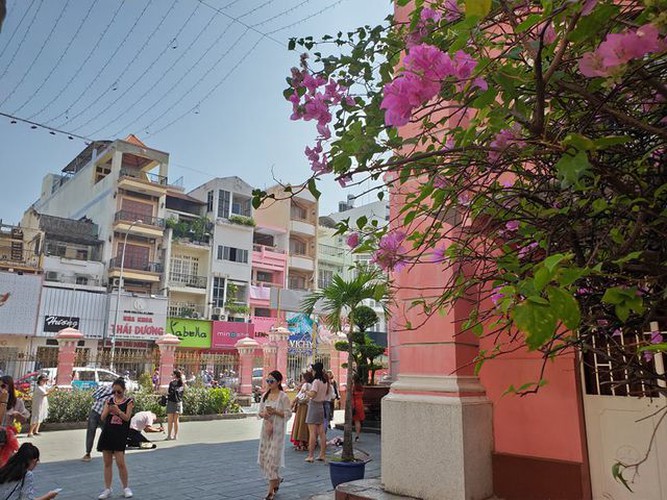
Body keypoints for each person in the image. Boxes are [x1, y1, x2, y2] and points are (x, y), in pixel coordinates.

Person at [96, 378, 134, 499]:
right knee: (107, 463)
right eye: (114, 392)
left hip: (120, 434)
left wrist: (118, 411)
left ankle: (126, 488)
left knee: (120, 463)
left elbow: (127, 418)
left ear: (124, 390)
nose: (116, 394)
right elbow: (102, 418)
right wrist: (107, 409)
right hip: (108, 433)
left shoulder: (129, 401)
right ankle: (107, 489)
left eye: (119, 392)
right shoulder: (109, 401)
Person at [258, 370, 291, 500]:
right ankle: (277, 479)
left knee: (273, 460)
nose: (269, 383)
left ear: (278, 382)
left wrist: (276, 412)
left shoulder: (283, 397)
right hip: (266, 431)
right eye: (268, 381)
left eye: (272, 381)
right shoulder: (265, 395)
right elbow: (259, 412)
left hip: (277, 432)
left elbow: (288, 414)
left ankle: (270, 492)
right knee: (263, 459)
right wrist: (264, 414)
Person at [304, 362, 330, 463]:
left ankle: (310, 455)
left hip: (314, 406)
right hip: (321, 406)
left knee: (312, 432)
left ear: (315, 370)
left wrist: (305, 391)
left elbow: (312, 394)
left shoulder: (316, 382)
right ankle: (322, 454)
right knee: (322, 432)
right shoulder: (325, 381)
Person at [82, 384, 114, 462]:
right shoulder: (119, 394)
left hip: (95, 411)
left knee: (91, 433)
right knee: (107, 433)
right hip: (105, 415)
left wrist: (100, 401)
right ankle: (111, 452)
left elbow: (94, 395)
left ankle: (87, 454)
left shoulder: (105, 387)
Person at [289, 371, 313, 451]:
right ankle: (305, 442)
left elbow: (299, 396)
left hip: (302, 406)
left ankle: (301, 443)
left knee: (300, 424)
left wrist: (292, 402)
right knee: (305, 425)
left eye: (303, 378)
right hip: (308, 407)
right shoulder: (312, 385)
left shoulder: (305, 385)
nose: (302, 379)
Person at [166, 370, 184, 440]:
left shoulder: (172, 383)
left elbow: (170, 392)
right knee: (176, 420)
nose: (171, 375)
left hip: (171, 402)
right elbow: (181, 393)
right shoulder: (182, 383)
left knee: (170, 420)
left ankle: (169, 436)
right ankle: (176, 436)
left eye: (172, 374)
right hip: (178, 402)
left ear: (175, 375)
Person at [352, 376, 365, 442]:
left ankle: (357, 436)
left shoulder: (353, 388)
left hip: (355, 404)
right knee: (358, 420)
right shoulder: (361, 387)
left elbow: (351, 396)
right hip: (360, 403)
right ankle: (357, 435)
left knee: (356, 421)